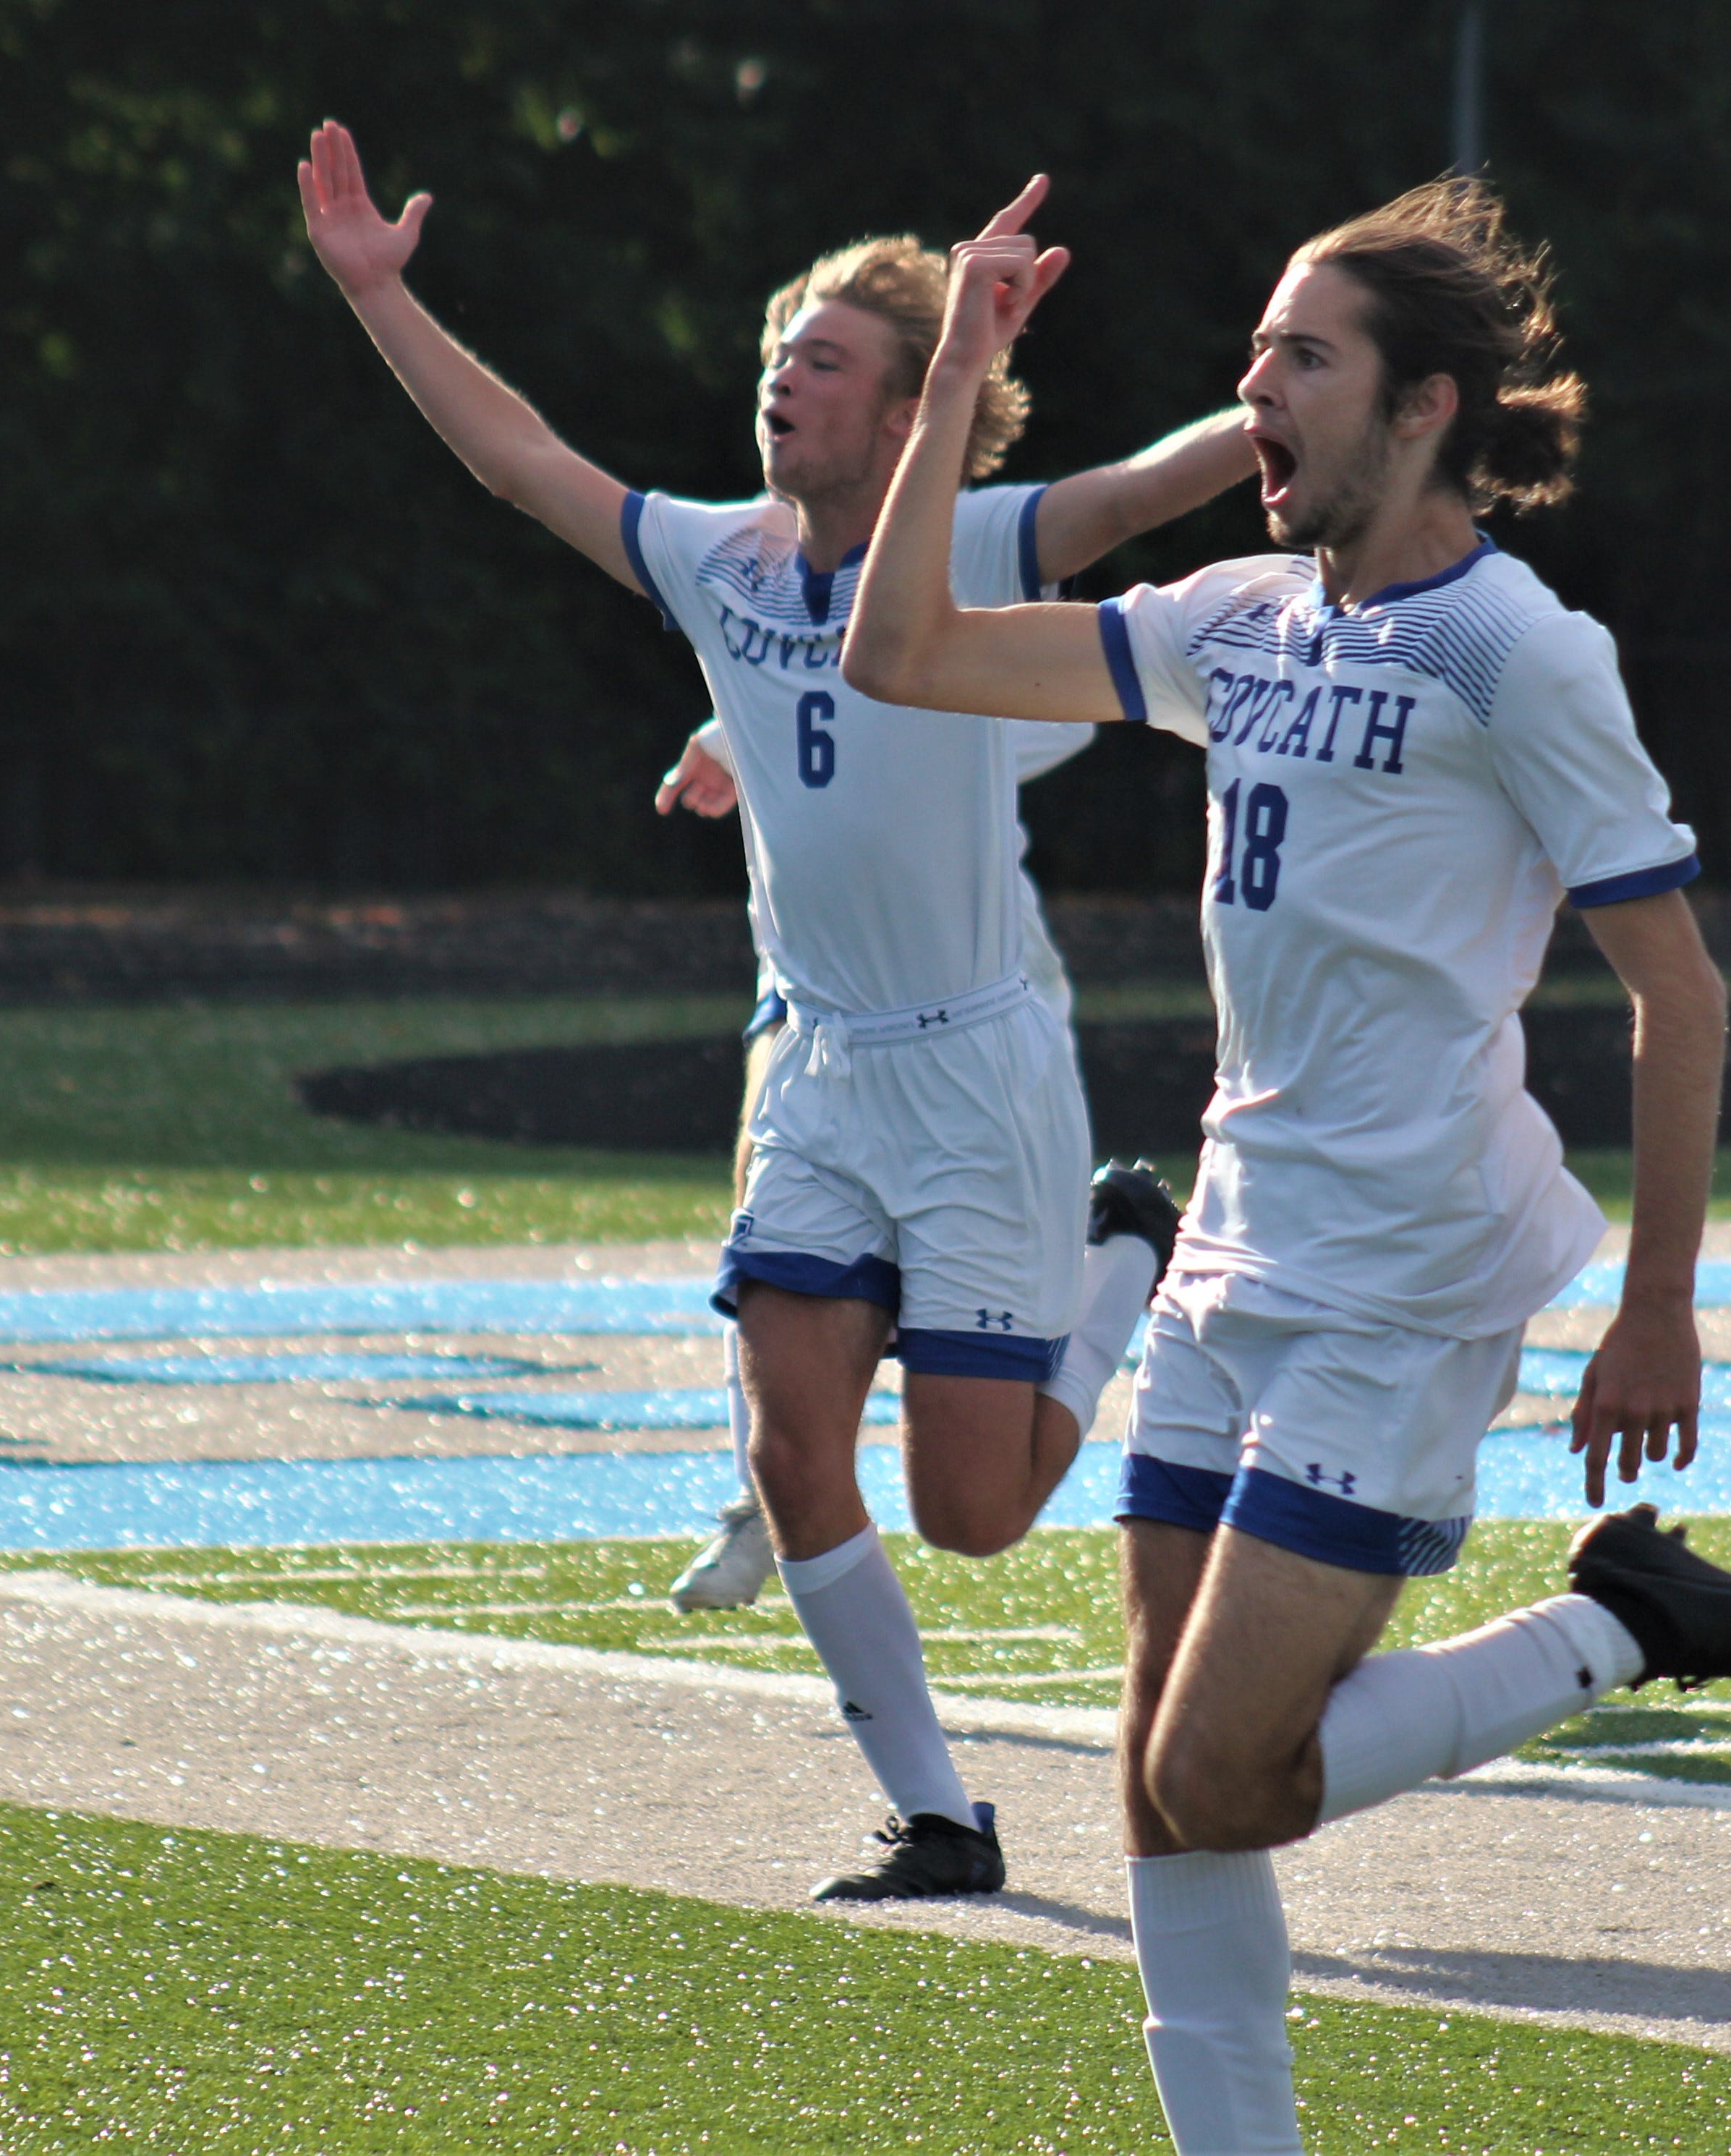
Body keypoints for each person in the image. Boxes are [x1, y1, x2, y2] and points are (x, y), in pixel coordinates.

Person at [843, 174, 1731, 2150]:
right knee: (1158, 1777)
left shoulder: (1517, 652)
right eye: (1253, 352)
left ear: (1422, 406)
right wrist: (959, 367)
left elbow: (1678, 995)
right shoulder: (1244, 616)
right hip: (1231, 1252)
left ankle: (1623, 1623)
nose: (1254, 390)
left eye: (1301, 356)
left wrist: (1657, 1305)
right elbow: (898, 651)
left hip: (1401, 1276)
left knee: (1223, 1770)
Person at [298, 121, 1250, 1901]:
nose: (780, 381)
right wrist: (378, 296)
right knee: (790, 1444)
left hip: (977, 1073)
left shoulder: (971, 538)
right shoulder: (719, 557)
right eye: (776, 357)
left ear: (902, 412)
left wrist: (1287, 411)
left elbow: (1132, 495)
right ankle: (939, 1813)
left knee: (973, 1510)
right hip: (814, 1067)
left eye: (821, 360)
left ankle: (1122, 1253)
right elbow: (519, 460)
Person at [656, 712, 1100, 1614]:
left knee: (969, 1507)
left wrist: (775, 734)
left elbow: (1070, 709)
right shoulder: (763, 625)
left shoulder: (958, 619)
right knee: (761, 1181)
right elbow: (771, 664)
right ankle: (761, 1500)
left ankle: (1116, 1263)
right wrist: (740, 730)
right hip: (819, 964)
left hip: (967, 980)